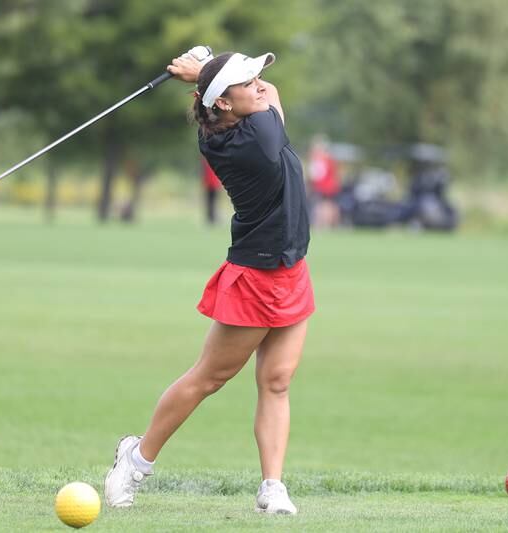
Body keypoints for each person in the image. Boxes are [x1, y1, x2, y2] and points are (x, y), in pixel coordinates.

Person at [104, 50, 314, 515]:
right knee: (209, 378)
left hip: (290, 267)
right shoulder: (258, 135)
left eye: (258, 76)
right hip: (257, 276)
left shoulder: (223, 126)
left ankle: (272, 487)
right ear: (223, 104)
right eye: (248, 82)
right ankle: (134, 460)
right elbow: (273, 97)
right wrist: (202, 70)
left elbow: (246, 93)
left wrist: (210, 75)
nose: (260, 85)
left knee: (277, 381)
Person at [201, 156, 221, 225]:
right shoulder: (214, 158)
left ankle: (211, 217)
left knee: (211, 201)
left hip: (211, 183)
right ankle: (211, 218)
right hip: (212, 183)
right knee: (212, 201)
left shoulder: (206, 158)